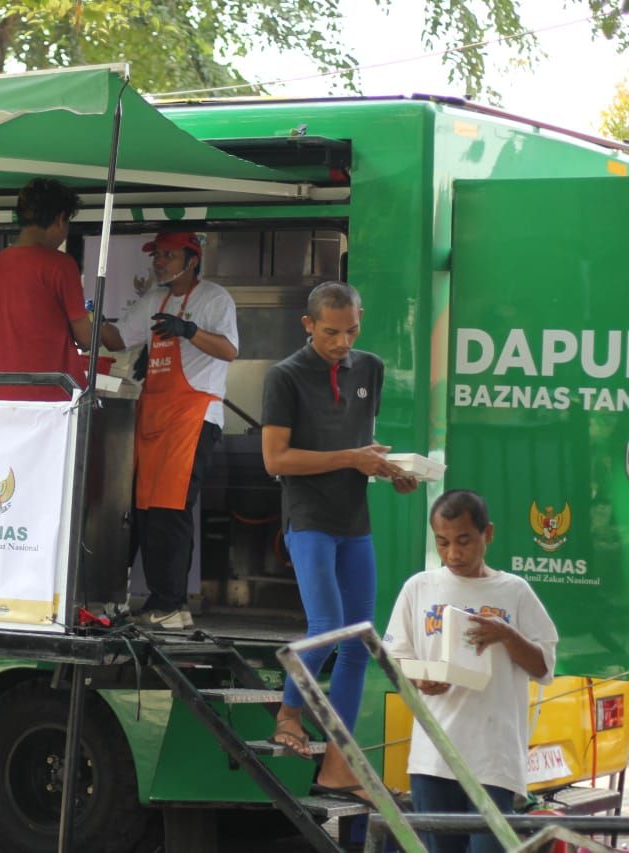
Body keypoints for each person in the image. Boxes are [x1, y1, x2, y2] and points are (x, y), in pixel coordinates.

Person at [261, 280, 418, 793]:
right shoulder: (283, 377)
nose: (343, 343)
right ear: (308, 325)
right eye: (331, 332)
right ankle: (288, 713)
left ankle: (338, 765)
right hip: (307, 515)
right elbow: (275, 461)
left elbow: (359, 446)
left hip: (354, 518)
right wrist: (352, 458)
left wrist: (388, 469)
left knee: (359, 641)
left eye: (352, 330)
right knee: (327, 624)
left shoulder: (369, 367)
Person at [385, 490, 558, 852]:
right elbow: (394, 657)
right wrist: (417, 677)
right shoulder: (419, 588)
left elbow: (543, 668)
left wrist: (507, 635)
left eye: (463, 540)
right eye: (443, 542)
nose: (453, 553)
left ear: (487, 534)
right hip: (433, 756)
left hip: (494, 758)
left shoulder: (515, 592)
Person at [100, 231, 238, 630]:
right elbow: (116, 339)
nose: (159, 262)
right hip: (154, 415)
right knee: (142, 510)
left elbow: (230, 350)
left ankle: (173, 605)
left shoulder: (214, 299)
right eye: (157, 255)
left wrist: (189, 331)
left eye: (168, 255)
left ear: (192, 259)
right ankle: (147, 598)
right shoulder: (152, 301)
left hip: (194, 417)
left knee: (170, 511)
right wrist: (80, 316)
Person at [0, 178, 100, 402]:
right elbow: (87, 338)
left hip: (6, 398)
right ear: (60, 219)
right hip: (56, 400)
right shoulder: (60, 265)